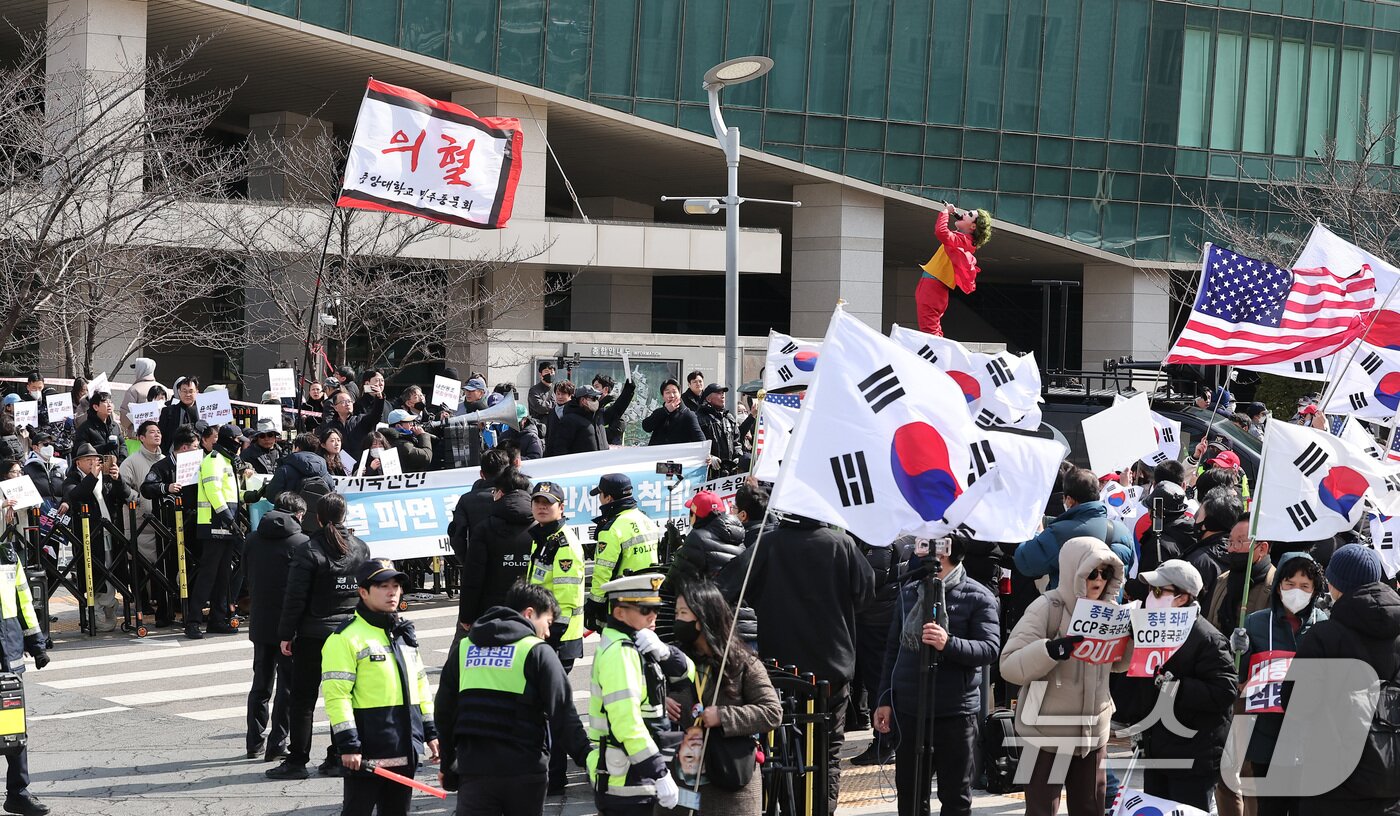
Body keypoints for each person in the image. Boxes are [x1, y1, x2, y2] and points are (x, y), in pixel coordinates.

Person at [720, 512, 874, 814]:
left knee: (781, 748)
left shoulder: (768, 544)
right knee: (828, 749)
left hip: (780, 664)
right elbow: (865, 593)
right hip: (833, 663)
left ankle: (788, 808)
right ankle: (821, 810)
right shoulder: (841, 544)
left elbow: (729, 588)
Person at [1000, 536, 1130, 816]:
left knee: (1090, 809)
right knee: (1042, 810)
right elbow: (1009, 665)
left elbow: (1118, 666)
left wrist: (1130, 642)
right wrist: (1050, 650)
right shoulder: (1047, 607)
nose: (1098, 580)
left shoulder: (1111, 612)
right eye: (1091, 572)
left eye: (1105, 573)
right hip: (1045, 733)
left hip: (1092, 734)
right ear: (1074, 571)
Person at [436, 581, 590, 816]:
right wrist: (588, 758)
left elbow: (445, 711)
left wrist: (449, 764)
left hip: (475, 770)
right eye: (547, 623)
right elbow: (563, 713)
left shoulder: (465, 648)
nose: (548, 632)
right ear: (529, 613)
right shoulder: (537, 651)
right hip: (524, 771)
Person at [874, 534, 1000, 816]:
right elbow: (893, 650)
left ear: (945, 553)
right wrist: (884, 699)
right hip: (910, 709)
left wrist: (949, 643)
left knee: (955, 796)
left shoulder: (978, 596)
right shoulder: (909, 593)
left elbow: (990, 648)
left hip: (955, 712)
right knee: (910, 794)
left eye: (928, 545)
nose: (920, 552)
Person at [1285, 544, 1400, 816]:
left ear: (1336, 583)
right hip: (1391, 776)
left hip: (1333, 777)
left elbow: (1297, 702)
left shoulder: (1326, 636)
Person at [1112, 560, 1237, 810]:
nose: (1151, 597)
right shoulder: (1150, 630)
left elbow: (1224, 692)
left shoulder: (1207, 638)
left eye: (1158, 591)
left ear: (1182, 598)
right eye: (1150, 590)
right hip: (1157, 750)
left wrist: (1174, 686)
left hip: (1193, 756)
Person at [321, 558, 438, 816]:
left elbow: (420, 684)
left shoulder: (402, 634)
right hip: (367, 752)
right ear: (363, 592)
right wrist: (349, 745)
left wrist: (430, 731)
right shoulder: (344, 638)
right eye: (383, 586)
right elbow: (336, 696)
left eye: (396, 586)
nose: (392, 592)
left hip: (405, 745)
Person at [267, 493, 371, 781]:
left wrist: (286, 635)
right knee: (345, 696)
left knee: (303, 699)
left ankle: (298, 759)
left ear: (319, 517)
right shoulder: (360, 548)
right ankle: (338, 754)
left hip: (314, 634)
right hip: (349, 633)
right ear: (344, 516)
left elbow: (295, 598)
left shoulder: (310, 549)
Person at [657, 580, 782, 816]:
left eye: (684, 613)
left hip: (731, 783)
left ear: (704, 617)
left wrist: (722, 716)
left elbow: (771, 712)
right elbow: (645, 693)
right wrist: (662, 701)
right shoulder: (675, 660)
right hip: (686, 780)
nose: (678, 621)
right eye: (676, 614)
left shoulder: (743, 662)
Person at [587, 573, 692, 816]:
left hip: (637, 776)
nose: (653, 616)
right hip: (628, 781)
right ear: (620, 612)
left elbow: (689, 676)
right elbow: (627, 724)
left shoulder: (637, 642)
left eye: (655, 609)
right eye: (645, 610)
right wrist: (659, 772)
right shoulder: (620, 653)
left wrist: (665, 652)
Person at [1233, 552, 1327, 816]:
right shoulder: (1256, 622)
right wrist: (1239, 651)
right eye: (1289, 583)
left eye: (1305, 586)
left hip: (1308, 735)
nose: (1296, 591)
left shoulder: (1323, 624)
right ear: (1278, 586)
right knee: (1269, 806)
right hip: (1267, 731)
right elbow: (1241, 678)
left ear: (1314, 590)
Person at [525, 480, 587, 793]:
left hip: (558, 640)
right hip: (546, 637)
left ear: (561, 508)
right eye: (537, 501)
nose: (541, 506)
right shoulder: (543, 538)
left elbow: (565, 600)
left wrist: (549, 639)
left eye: (548, 502)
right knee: (550, 708)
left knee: (553, 710)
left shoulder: (562, 543)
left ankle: (557, 775)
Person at [242, 492, 309, 763]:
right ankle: (277, 743)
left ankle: (253, 742)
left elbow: (246, 575)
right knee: (287, 687)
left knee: (261, 683)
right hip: (289, 625)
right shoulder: (301, 542)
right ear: (299, 514)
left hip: (260, 620)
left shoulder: (252, 539)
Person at [849, 534, 915, 767]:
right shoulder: (901, 532)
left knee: (879, 681)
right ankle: (889, 739)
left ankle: (885, 741)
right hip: (888, 613)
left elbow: (873, 576)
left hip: (877, 617)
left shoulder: (880, 537)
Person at [1013, 467, 1134, 589]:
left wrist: (1037, 532)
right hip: (1108, 606)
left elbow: (1026, 563)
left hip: (1070, 606)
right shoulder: (1123, 530)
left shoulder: (1058, 532)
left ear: (1069, 500)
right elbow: (1128, 567)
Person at [0, 521, 50, 816]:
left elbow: (24, 600)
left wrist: (37, 643)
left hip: (9, 647)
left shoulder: (8, 554)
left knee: (13, 728)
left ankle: (18, 792)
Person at [62, 443, 129, 633]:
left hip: (112, 531)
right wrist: (92, 476)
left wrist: (117, 478)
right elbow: (76, 495)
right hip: (90, 535)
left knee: (113, 570)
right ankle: (98, 612)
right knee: (96, 573)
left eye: (96, 460)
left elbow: (123, 495)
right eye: (88, 460)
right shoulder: (73, 479)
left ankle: (111, 607)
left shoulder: (106, 477)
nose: (94, 463)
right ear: (78, 464)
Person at [458, 468, 535, 631]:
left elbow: (473, 576)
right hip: (531, 610)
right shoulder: (539, 527)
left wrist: (466, 615)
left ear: (499, 493)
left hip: (492, 612)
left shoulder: (485, 529)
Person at [188, 424, 243, 640]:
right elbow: (213, 492)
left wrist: (254, 494)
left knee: (223, 575)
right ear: (229, 440)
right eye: (238, 441)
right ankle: (193, 621)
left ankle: (217, 619)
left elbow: (233, 494)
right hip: (214, 524)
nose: (240, 446)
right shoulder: (213, 461)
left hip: (227, 525)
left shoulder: (227, 462)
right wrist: (229, 519)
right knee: (208, 575)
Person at [585, 474, 660, 630]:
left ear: (608, 498)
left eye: (600, 494)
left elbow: (603, 572)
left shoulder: (612, 529)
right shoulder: (646, 520)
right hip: (649, 595)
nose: (599, 498)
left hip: (623, 601)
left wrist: (594, 605)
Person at [119, 420, 174, 627]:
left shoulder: (165, 460)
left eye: (159, 431)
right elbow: (122, 487)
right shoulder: (132, 461)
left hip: (161, 522)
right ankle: (141, 604)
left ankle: (164, 606)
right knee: (140, 564)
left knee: (160, 565)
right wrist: (139, 499)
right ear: (141, 437)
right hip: (139, 522)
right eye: (152, 432)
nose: (157, 435)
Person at [916, 204, 992, 337]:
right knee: (930, 330)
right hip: (934, 287)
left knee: (930, 331)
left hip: (934, 287)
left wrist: (945, 212)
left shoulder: (964, 241)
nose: (964, 213)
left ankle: (939, 356)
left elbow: (941, 232)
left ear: (973, 227)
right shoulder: (964, 240)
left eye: (969, 214)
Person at [1206, 518, 1275, 635]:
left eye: (1239, 542)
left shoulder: (1275, 586)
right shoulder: (1223, 580)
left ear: (1262, 548)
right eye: (1230, 542)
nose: (1231, 549)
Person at [448, 449, 511, 568]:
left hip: (479, 563)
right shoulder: (519, 496)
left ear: (482, 474)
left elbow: (456, 536)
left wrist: (468, 562)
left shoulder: (466, 500)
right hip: (514, 563)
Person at [1184, 487, 1241, 611]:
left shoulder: (1198, 561)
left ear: (1207, 524)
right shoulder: (1241, 553)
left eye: (1199, 514)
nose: (1195, 518)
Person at [544, 385, 607, 457]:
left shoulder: (594, 416)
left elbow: (615, 413)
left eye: (563, 394)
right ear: (583, 400)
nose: (560, 397)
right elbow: (559, 446)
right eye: (593, 398)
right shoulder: (569, 419)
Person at [695, 384, 741, 476]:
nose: (723, 395)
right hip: (708, 472)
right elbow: (695, 444)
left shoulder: (729, 417)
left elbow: (737, 441)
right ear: (708, 399)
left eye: (723, 393)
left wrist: (738, 456)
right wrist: (709, 457)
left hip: (730, 472)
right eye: (718, 393)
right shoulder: (699, 418)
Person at [642, 380, 704, 447]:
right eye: (667, 392)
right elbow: (646, 427)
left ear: (679, 394)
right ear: (663, 396)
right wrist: (665, 410)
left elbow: (700, 440)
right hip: (657, 455)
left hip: (677, 456)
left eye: (674, 392)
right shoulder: (659, 412)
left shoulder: (688, 415)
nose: (671, 395)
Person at [21, 432, 65, 514]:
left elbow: (66, 488)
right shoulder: (27, 469)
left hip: (61, 514)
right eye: (45, 444)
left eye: (51, 444)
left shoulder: (59, 466)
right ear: (35, 448)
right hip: (40, 515)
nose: (50, 447)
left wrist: (66, 501)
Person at [72, 391, 123, 461]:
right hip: (95, 469)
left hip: (115, 468)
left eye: (110, 402)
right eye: (105, 402)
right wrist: (104, 448)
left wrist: (121, 462)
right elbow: (81, 451)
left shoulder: (115, 426)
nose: (109, 405)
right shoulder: (85, 428)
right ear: (96, 407)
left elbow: (123, 445)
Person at [118, 357, 161, 436]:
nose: (135, 371)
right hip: (159, 436)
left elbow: (124, 418)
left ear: (140, 370)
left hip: (137, 436)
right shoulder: (164, 389)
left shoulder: (133, 390)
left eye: (136, 369)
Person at [158, 376, 200, 454]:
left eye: (191, 391)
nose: (188, 394)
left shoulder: (202, 411)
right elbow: (161, 434)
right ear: (179, 392)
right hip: (172, 454)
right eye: (184, 391)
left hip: (197, 455)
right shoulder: (168, 411)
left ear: (197, 392)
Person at [591, 373, 635, 447]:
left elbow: (617, 429)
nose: (593, 391)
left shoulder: (612, 406)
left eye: (596, 387)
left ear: (606, 389)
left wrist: (594, 433)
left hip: (612, 450)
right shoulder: (597, 407)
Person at [527, 362, 556, 439]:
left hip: (554, 427)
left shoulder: (557, 389)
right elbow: (540, 407)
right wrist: (555, 405)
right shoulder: (534, 390)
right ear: (541, 374)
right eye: (546, 371)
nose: (550, 374)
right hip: (540, 428)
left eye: (552, 372)